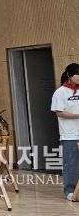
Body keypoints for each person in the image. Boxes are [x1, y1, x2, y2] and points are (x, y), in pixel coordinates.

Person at [51, 63, 79, 201]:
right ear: (69, 75)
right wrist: (77, 116)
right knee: (71, 164)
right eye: (77, 74)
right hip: (69, 135)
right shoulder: (60, 92)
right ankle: (70, 191)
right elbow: (59, 112)